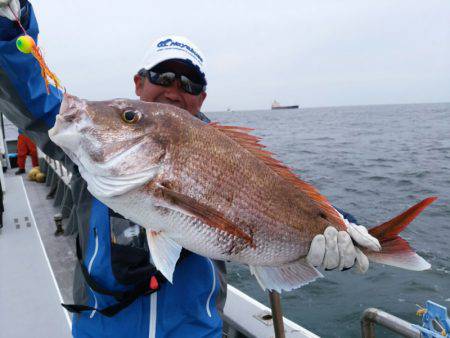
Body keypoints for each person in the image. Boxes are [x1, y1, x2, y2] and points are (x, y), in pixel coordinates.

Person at [0, 1, 378, 337]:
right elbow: (33, 96)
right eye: (162, 77)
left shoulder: (226, 154)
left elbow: (275, 192)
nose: (174, 90)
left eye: (190, 82)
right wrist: (8, 22)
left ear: (202, 98)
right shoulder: (90, 145)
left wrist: (343, 226)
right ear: (138, 82)